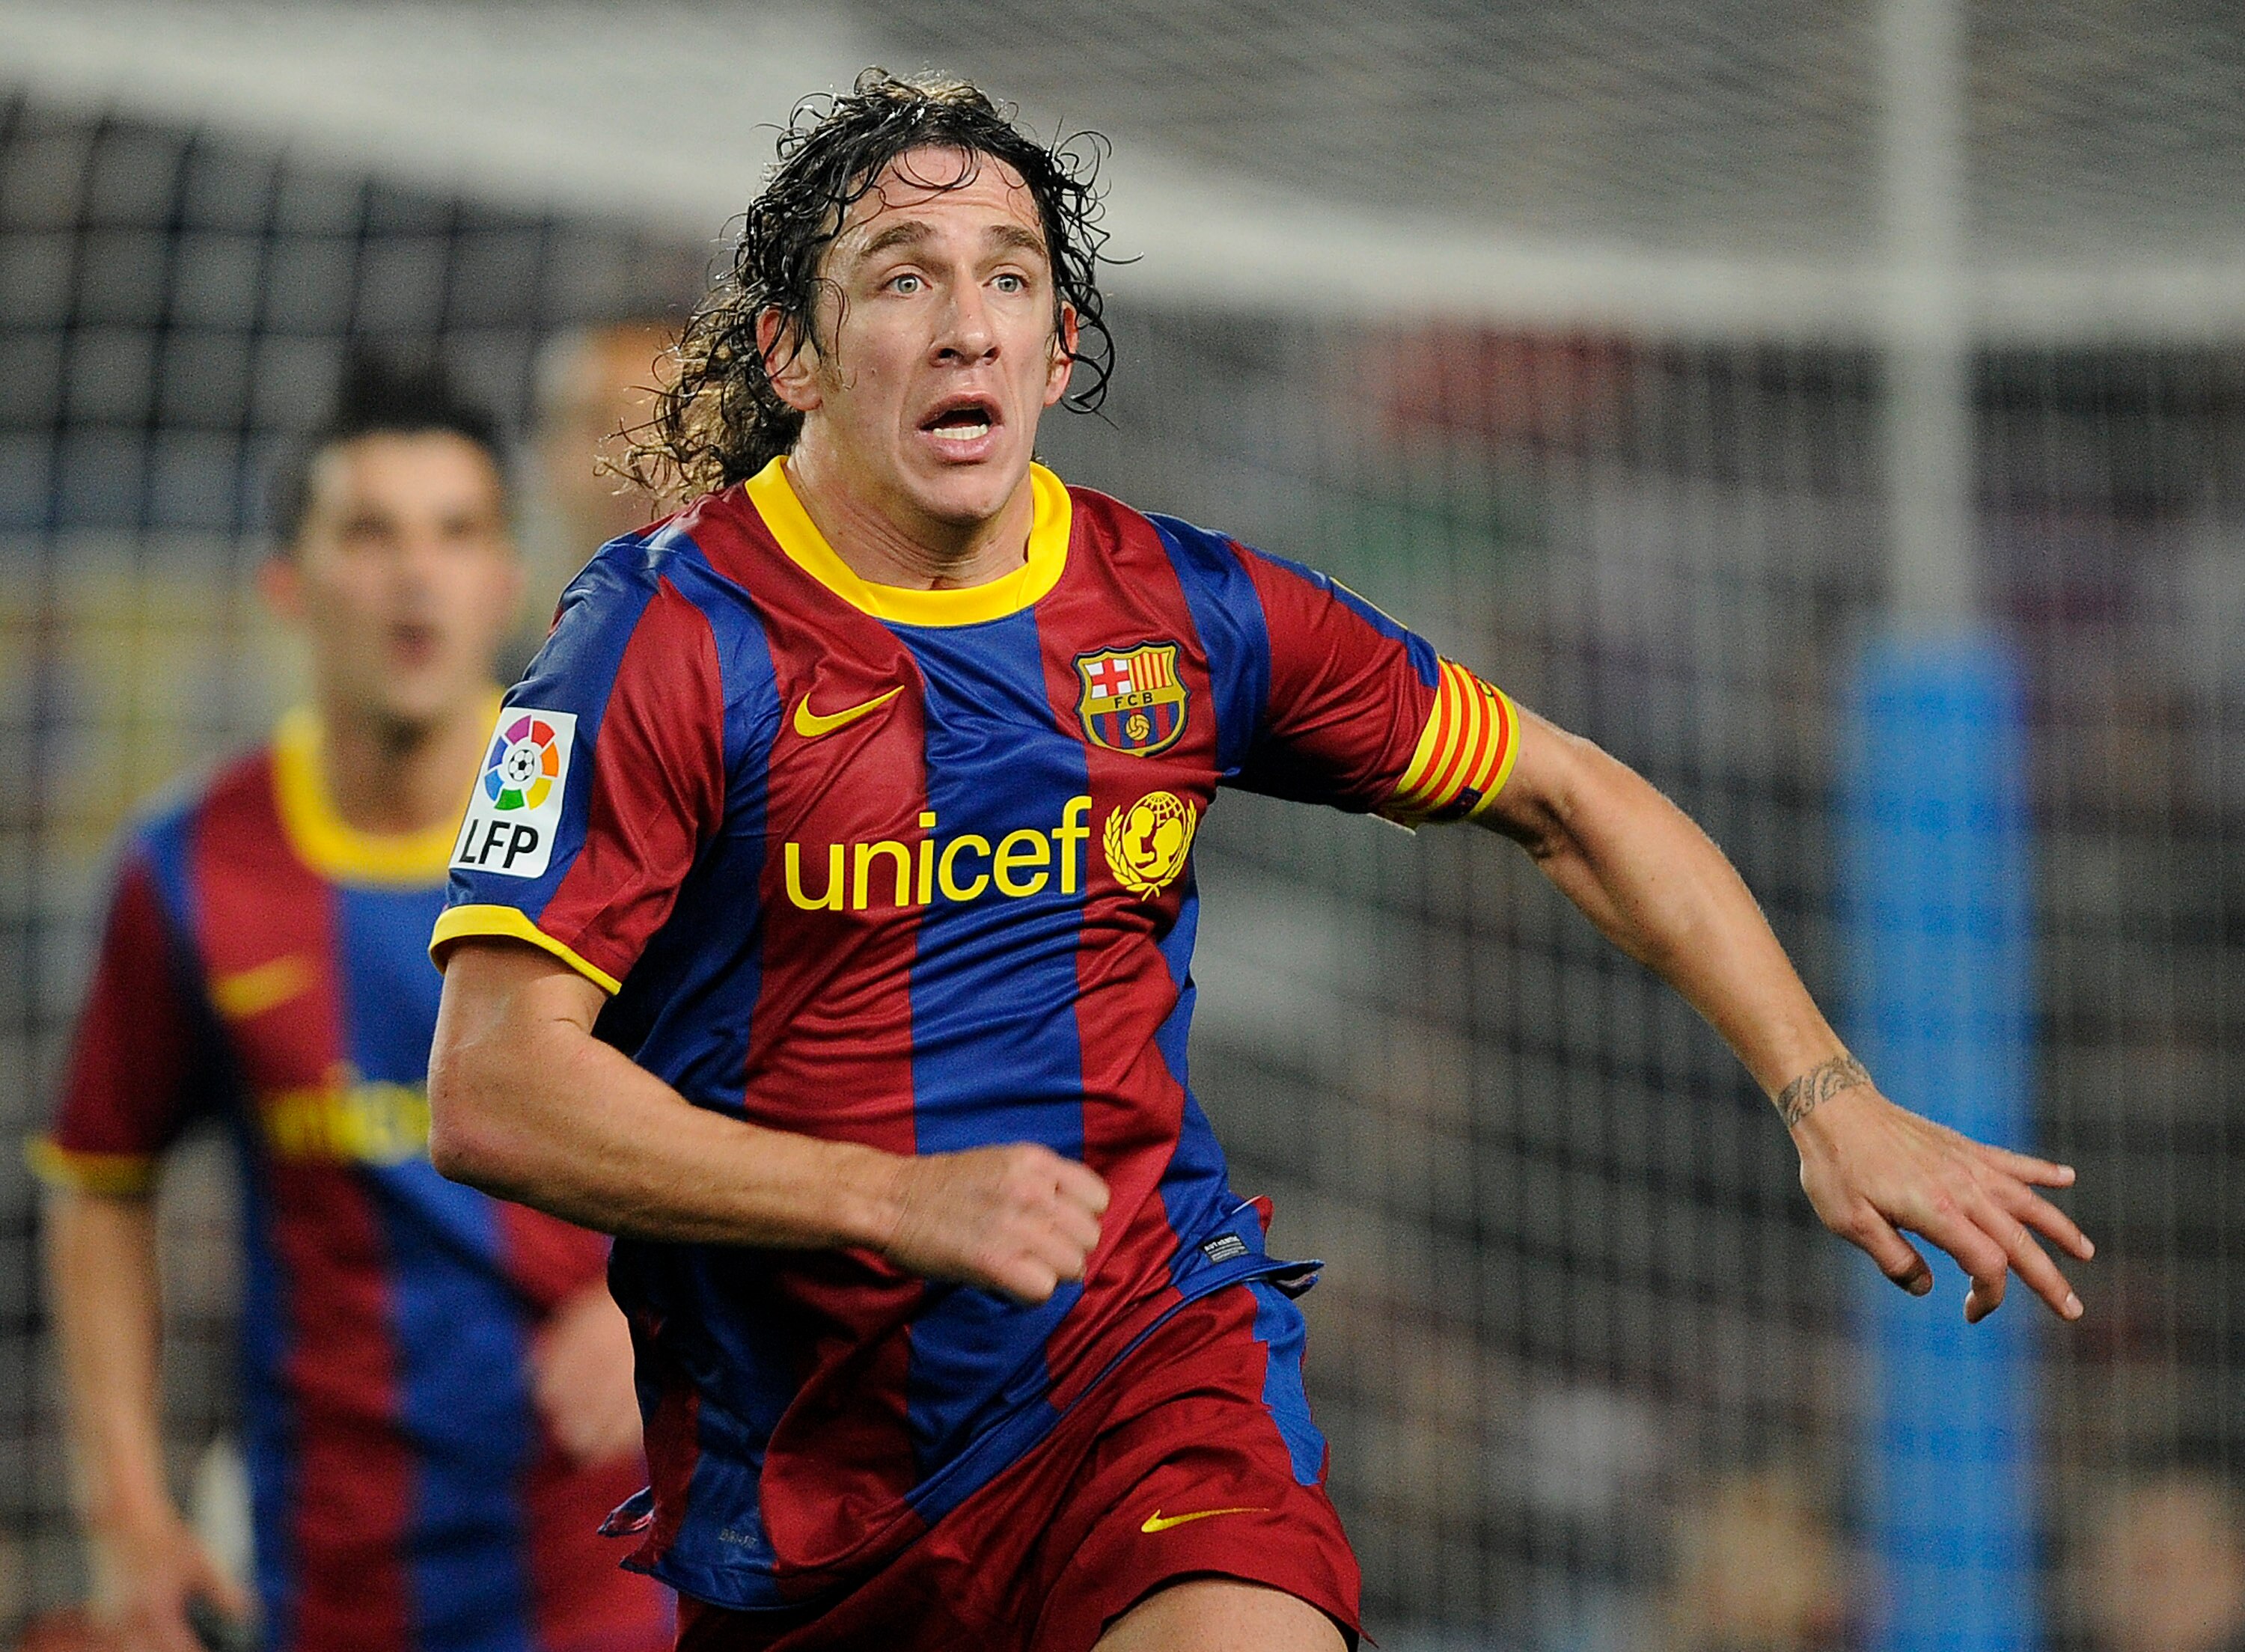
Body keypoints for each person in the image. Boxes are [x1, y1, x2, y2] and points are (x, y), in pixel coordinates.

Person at [424, 73, 2095, 1652]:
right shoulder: (653, 641)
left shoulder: (1191, 615)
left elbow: (1571, 798)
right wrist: (887, 1197)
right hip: (805, 1488)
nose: (963, 320)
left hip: (1141, 1373)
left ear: (1060, 348)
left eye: (1008, 279)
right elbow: (493, 1089)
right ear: (792, 352)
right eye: (900, 279)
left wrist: (1828, 1096)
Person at [34, 356, 674, 1652]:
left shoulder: (627, 818)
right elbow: (100, 1179)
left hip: (614, 1555)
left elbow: (791, 1098)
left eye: (454, 532)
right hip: (328, 1569)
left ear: (505, 578)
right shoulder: (191, 866)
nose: (415, 575)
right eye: (370, 534)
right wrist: (126, 1508)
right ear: (289, 585)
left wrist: (654, 1294)